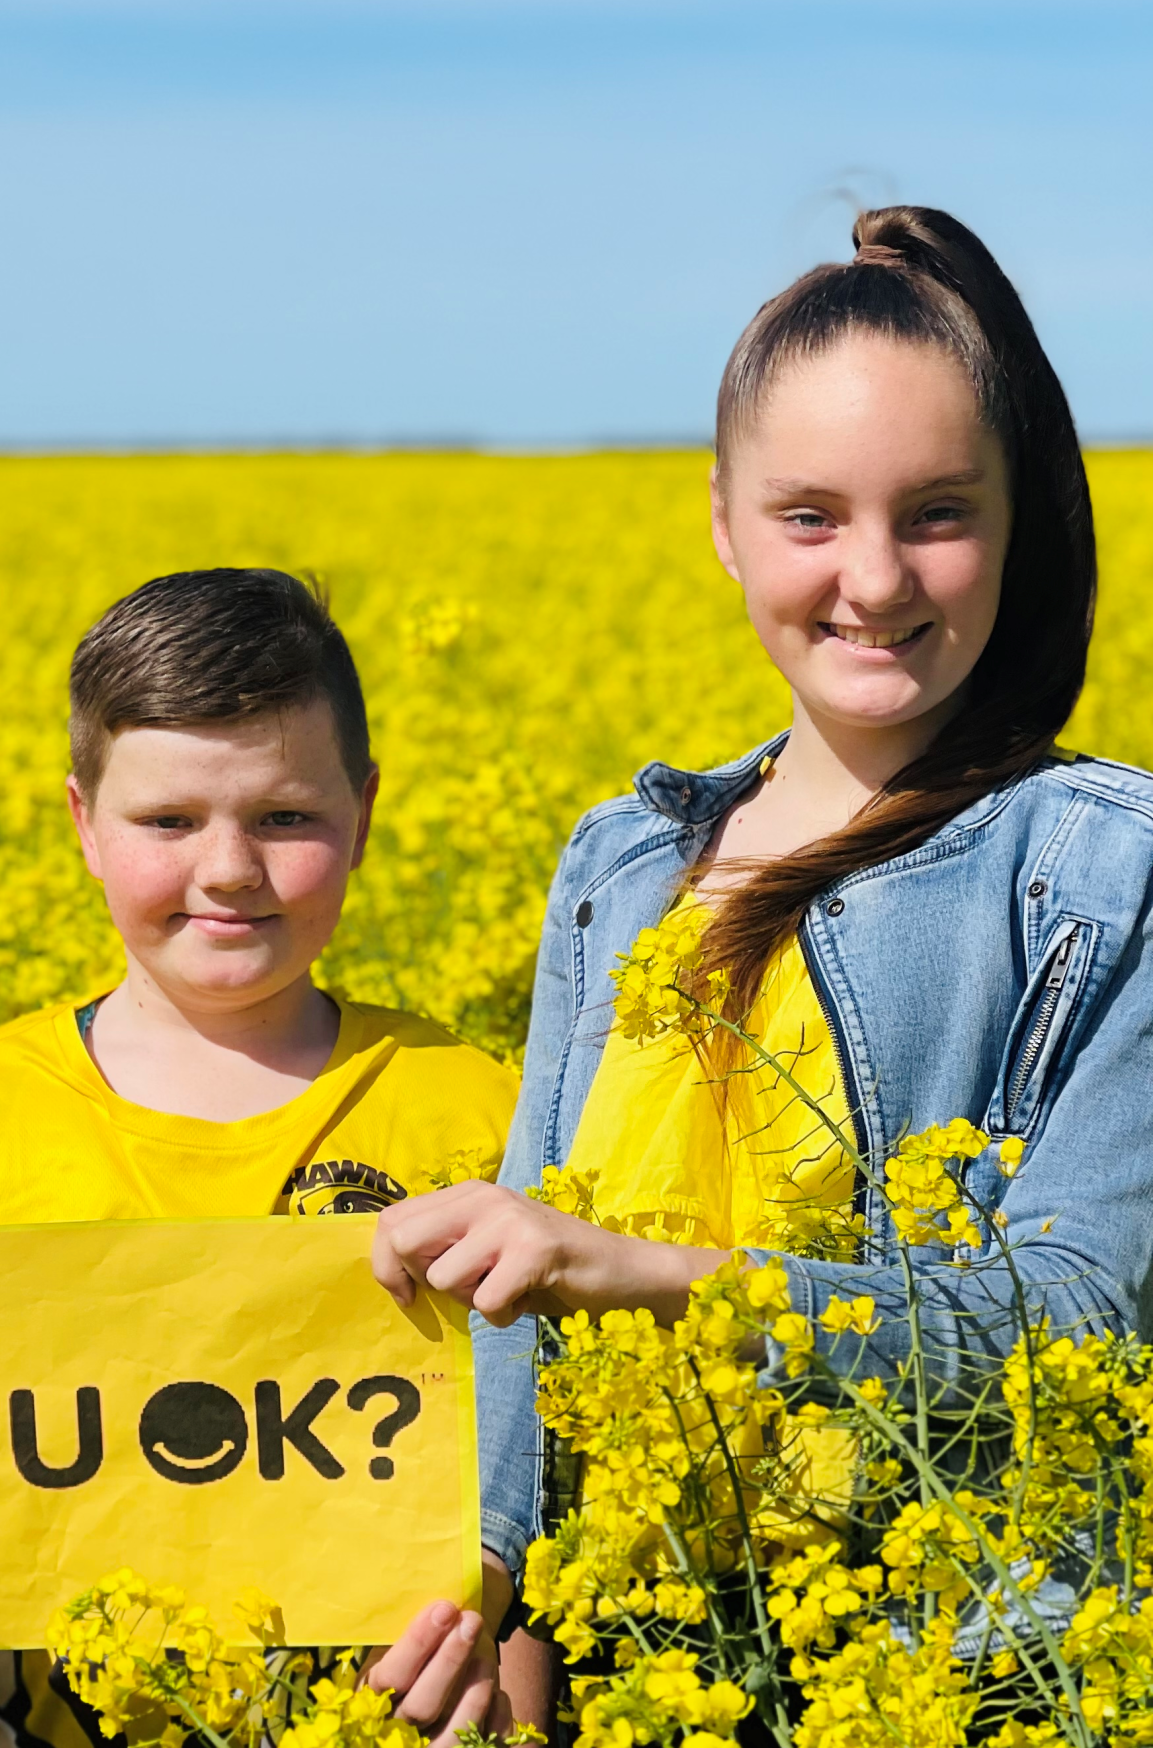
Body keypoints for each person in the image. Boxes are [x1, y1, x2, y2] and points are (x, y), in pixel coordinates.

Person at [372, 206, 1153, 1684]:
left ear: (1014, 523)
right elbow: (522, 1280)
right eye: (812, 517)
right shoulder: (619, 864)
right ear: (722, 520)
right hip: (619, 1661)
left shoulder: (1108, 872)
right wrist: (496, 1593)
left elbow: (1075, 1326)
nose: (873, 579)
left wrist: (652, 1279)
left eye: (938, 512)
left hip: (957, 1662)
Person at [0, 567, 551, 1745]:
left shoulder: (466, 1107)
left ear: (364, 812)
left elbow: (526, 1484)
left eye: (284, 817)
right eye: (168, 822)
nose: (227, 869)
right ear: (81, 821)